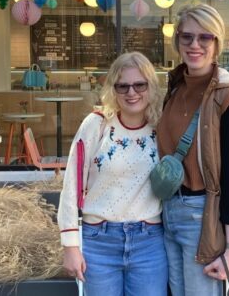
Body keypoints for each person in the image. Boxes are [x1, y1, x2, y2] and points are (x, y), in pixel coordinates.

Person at [156, 3, 229, 296]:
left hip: (202, 217)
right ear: (177, 42)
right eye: (187, 37)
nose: (194, 45)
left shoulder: (227, 96)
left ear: (217, 42)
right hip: (167, 212)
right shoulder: (173, 89)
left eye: (204, 37)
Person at [58, 52, 167, 296]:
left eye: (140, 84)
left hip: (149, 242)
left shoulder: (161, 128)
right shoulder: (96, 125)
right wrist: (70, 246)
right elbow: (71, 185)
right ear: (112, 89)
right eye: (123, 86)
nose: (132, 92)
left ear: (151, 86)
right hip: (99, 242)